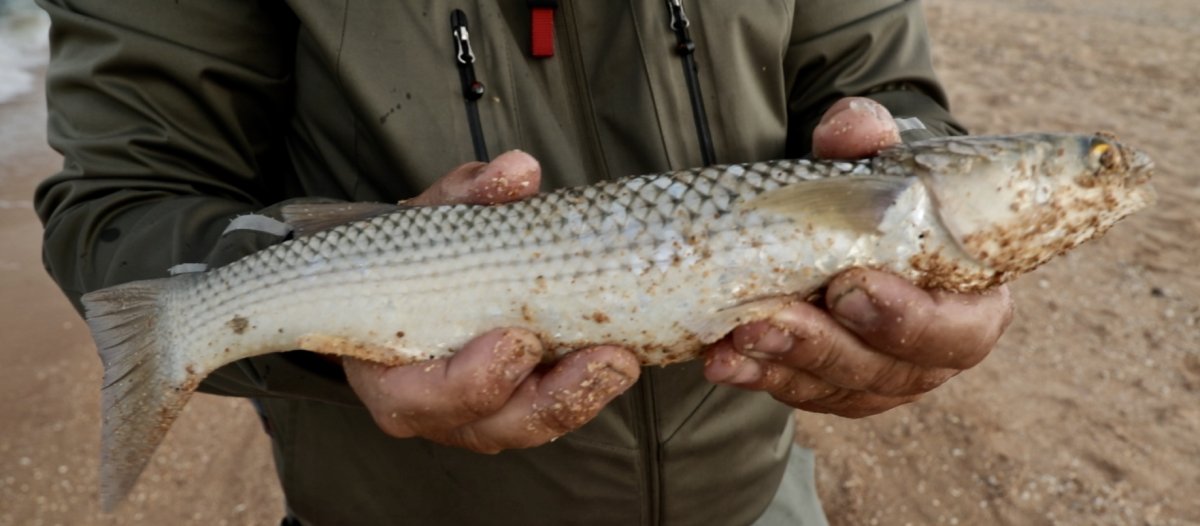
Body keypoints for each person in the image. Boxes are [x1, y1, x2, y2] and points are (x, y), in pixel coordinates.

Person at [34, 1, 1013, 524]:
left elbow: (875, 83)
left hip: (752, 497)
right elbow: (125, 200)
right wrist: (334, 317)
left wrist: (915, 168)